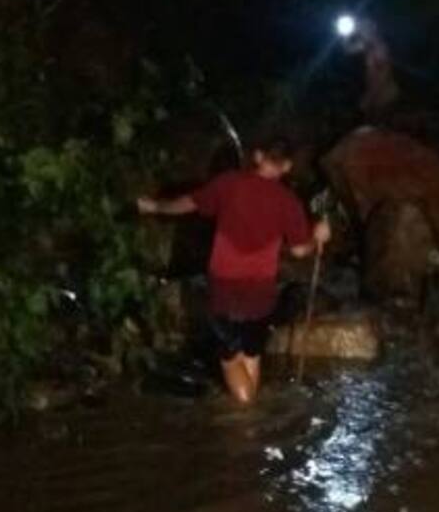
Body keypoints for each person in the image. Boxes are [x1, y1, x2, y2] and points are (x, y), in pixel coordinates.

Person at [137, 138, 331, 405]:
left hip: (225, 289)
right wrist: (316, 236)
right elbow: (299, 251)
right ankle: (254, 416)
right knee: (251, 354)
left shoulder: (229, 184)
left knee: (230, 360)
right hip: (261, 293)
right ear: (286, 166)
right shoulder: (288, 202)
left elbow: (188, 203)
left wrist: (156, 206)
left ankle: (246, 422)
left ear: (259, 156)